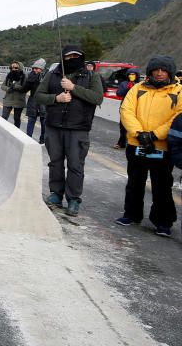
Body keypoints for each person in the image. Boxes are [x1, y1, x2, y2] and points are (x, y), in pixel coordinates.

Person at [114, 56, 181, 237]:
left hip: (162, 147)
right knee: (135, 182)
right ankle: (131, 214)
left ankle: (163, 222)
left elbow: (178, 117)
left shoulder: (179, 91)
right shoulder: (137, 89)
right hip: (136, 144)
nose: (159, 73)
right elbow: (126, 110)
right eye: (155, 70)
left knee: (162, 185)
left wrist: (154, 135)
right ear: (150, 71)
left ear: (170, 72)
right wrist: (139, 133)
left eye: (163, 70)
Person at [35, 44, 104, 217]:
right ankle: (56, 194)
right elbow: (38, 95)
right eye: (68, 56)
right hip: (54, 127)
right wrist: (56, 98)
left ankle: (73, 199)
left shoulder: (92, 76)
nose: (72, 59)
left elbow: (97, 98)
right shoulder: (53, 74)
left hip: (78, 128)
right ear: (63, 58)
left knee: (75, 165)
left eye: (76, 56)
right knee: (55, 162)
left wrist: (74, 88)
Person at [114, 68, 140, 149]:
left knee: (135, 126)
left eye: (133, 74)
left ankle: (134, 143)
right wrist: (127, 88)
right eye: (130, 74)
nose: (131, 76)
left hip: (137, 107)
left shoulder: (140, 84)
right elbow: (119, 93)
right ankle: (121, 143)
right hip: (125, 107)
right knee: (123, 126)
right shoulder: (124, 83)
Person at [24, 59, 47, 143]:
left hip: (44, 101)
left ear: (42, 68)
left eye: (37, 68)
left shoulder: (47, 76)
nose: (34, 70)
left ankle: (42, 140)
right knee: (31, 121)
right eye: (34, 68)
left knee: (44, 122)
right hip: (33, 100)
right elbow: (24, 89)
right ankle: (28, 139)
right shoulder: (30, 76)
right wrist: (29, 81)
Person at [1, 61, 28, 128]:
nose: (13, 69)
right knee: (4, 117)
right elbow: (2, 86)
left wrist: (15, 87)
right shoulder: (9, 75)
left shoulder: (24, 77)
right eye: (12, 67)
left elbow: (25, 88)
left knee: (16, 118)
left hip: (19, 101)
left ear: (20, 68)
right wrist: (8, 89)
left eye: (15, 67)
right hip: (8, 99)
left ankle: (17, 132)